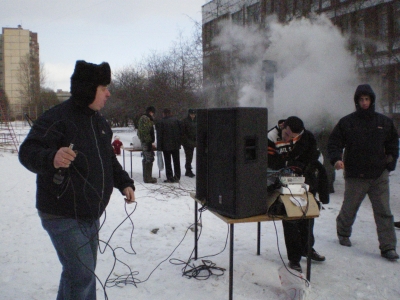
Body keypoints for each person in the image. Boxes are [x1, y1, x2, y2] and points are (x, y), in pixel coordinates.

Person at [18, 60, 136, 299]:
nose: (108, 93)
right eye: (104, 88)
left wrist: (124, 182)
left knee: (79, 273)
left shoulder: (100, 122)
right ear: (88, 89)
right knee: (81, 274)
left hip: (89, 213)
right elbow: (27, 151)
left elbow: (108, 161)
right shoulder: (58, 117)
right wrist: (52, 157)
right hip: (61, 213)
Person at [328, 84, 399, 261]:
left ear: (372, 100)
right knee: (350, 208)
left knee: (384, 211)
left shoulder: (383, 122)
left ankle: (388, 246)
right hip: (355, 175)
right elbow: (334, 143)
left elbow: (393, 143)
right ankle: (343, 232)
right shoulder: (347, 122)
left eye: (367, 99)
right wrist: (336, 159)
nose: (364, 102)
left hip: (378, 175)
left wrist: (390, 163)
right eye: (361, 99)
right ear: (357, 101)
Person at [268, 116, 327, 273]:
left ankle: (307, 248)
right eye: (286, 134)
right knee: (291, 216)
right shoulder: (271, 136)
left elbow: (313, 156)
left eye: (293, 137)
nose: (288, 138)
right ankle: (294, 258)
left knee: (307, 215)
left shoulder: (307, 137)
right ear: (283, 126)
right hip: (281, 182)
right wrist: (286, 164)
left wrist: (301, 166)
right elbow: (268, 161)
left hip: (304, 180)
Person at [156, 108, 182, 183]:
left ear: (164, 113)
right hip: (176, 145)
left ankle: (169, 177)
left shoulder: (161, 122)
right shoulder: (177, 121)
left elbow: (159, 135)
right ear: (171, 113)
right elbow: (181, 133)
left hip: (165, 146)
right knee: (176, 161)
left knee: (168, 162)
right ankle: (177, 176)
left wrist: (159, 147)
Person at [138, 106, 157, 183]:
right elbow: (146, 132)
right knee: (149, 159)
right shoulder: (146, 119)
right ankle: (148, 178)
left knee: (146, 159)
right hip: (146, 142)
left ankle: (147, 177)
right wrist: (149, 142)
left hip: (145, 141)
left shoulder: (143, 118)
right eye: (153, 113)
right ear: (150, 112)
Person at [181, 108, 197, 177]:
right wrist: (186, 141)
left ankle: (189, 169)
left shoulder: (197, 121)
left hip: (193, 141)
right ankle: (188, 170)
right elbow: (183, 133)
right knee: (189, 156)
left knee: (190, 156)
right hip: (187, 142)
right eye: (191, 114)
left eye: (194, 114)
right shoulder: (185, 121)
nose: (193, 115)